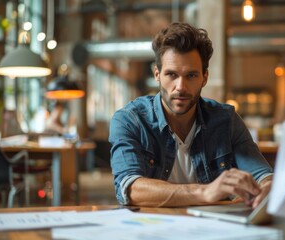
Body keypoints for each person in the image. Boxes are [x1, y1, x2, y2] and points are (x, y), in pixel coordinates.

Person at [109, 22, 273, 208]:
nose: (181, 87)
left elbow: (261, 175)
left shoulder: (226, 120)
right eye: (171, 74)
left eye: (191, 76)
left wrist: (268, 186)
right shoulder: (130, 120)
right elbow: (130, 189)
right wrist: (206, 191)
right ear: (157, 75)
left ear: (205, 77)